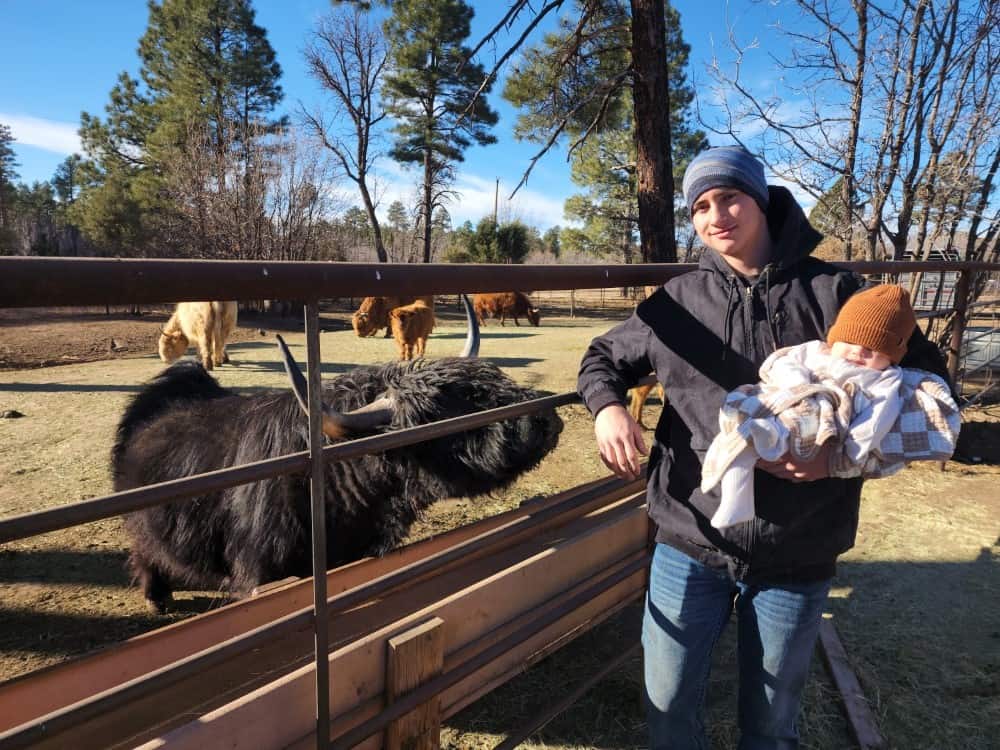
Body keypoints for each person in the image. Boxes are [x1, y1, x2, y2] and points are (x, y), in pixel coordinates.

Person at [576, 146, 952, 750]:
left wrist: (835, 459)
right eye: (699, 206)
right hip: (690, 534)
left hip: (799, 541)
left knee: (772, 724)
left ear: (761, 200)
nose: (715, 215)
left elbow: (932, 384)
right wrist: (609, 408)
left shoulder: (838, 293)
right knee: (668, 709)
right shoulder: (675, 304)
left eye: (729, 197)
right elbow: (601, 358)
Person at [702, 283, 960, 529]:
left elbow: (875, 421)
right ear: (835, 338)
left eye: (872, 349)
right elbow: (781, 361)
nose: (858, 352)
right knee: (738, 433)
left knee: (806, 420)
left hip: (827, 425)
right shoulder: (816, 351)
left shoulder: (885, 381)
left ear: (892, 356)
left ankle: (771, 438)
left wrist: (845, 457)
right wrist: (799, 387)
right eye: (850, 342)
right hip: (792, 400)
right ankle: (736, 498)